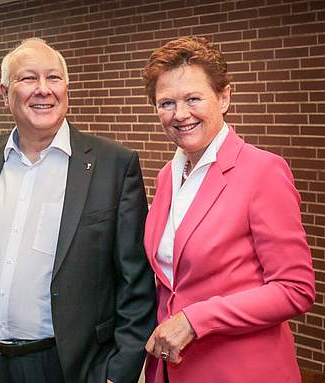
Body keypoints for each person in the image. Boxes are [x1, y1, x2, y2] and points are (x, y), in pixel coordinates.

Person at [0, 38, 157, 383]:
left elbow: (136, 286)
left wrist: (117, 373)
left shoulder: (113, 166)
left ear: (67, 90)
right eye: (28, 79)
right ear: (5, 94)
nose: (43, 90)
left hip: (63, 367)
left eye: (54, 78)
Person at [141, 36, 315, 383]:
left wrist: (194, 319)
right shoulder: (167, 177)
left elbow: (295, 288)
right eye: (166, 103)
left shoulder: (262, 171)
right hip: (174, 369)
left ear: (224, 97)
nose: (180, 114)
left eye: (193, 98)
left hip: (242, 370)